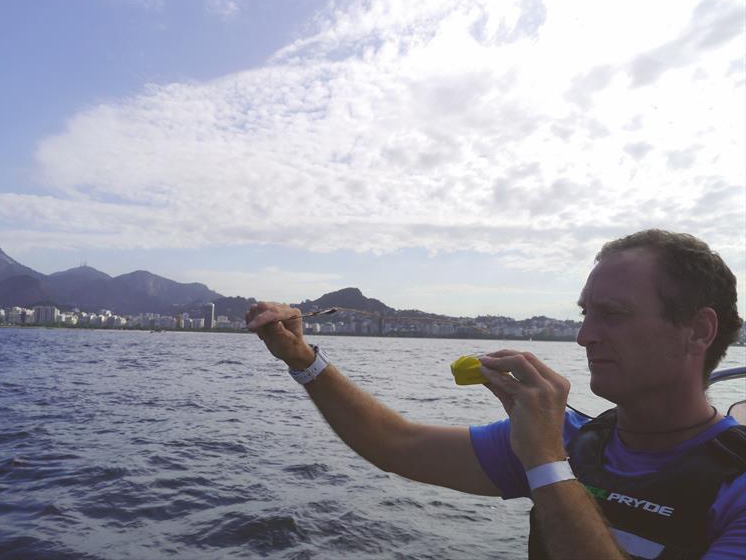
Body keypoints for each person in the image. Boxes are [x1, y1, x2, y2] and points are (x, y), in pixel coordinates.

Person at [245, 229, 745, 559]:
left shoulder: (735, 487)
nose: (584, 336)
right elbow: (394, 444)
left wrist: (546, 462)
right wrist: (304, 360)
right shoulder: (571, 439)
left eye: (611, 315)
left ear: (698, 331)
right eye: (584, 314)